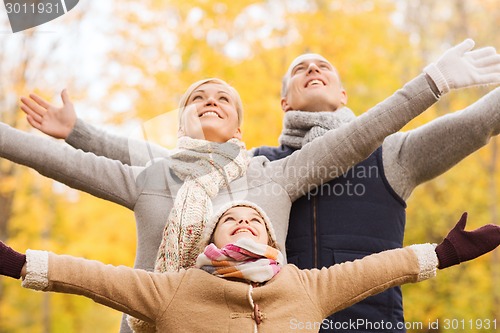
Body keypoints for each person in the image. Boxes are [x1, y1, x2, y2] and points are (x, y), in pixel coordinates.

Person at [17, 39, 500, 332]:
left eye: (324, 66)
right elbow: (147, 164)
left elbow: (377, 133)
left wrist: (434, 81)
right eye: (299, 69)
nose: (313, 70)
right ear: (284, 103)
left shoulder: (368, 156)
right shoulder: (225, 172)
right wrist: (79, 132)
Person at [1, 201, 499, 332]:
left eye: (252, 221)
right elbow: (90, 276)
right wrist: (16, 262)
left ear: (270, 239)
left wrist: (446, 252)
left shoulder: (305, 286)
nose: (242, 224)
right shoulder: (172, 290)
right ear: (211, 239)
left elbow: (378, 269)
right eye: (230, 221)